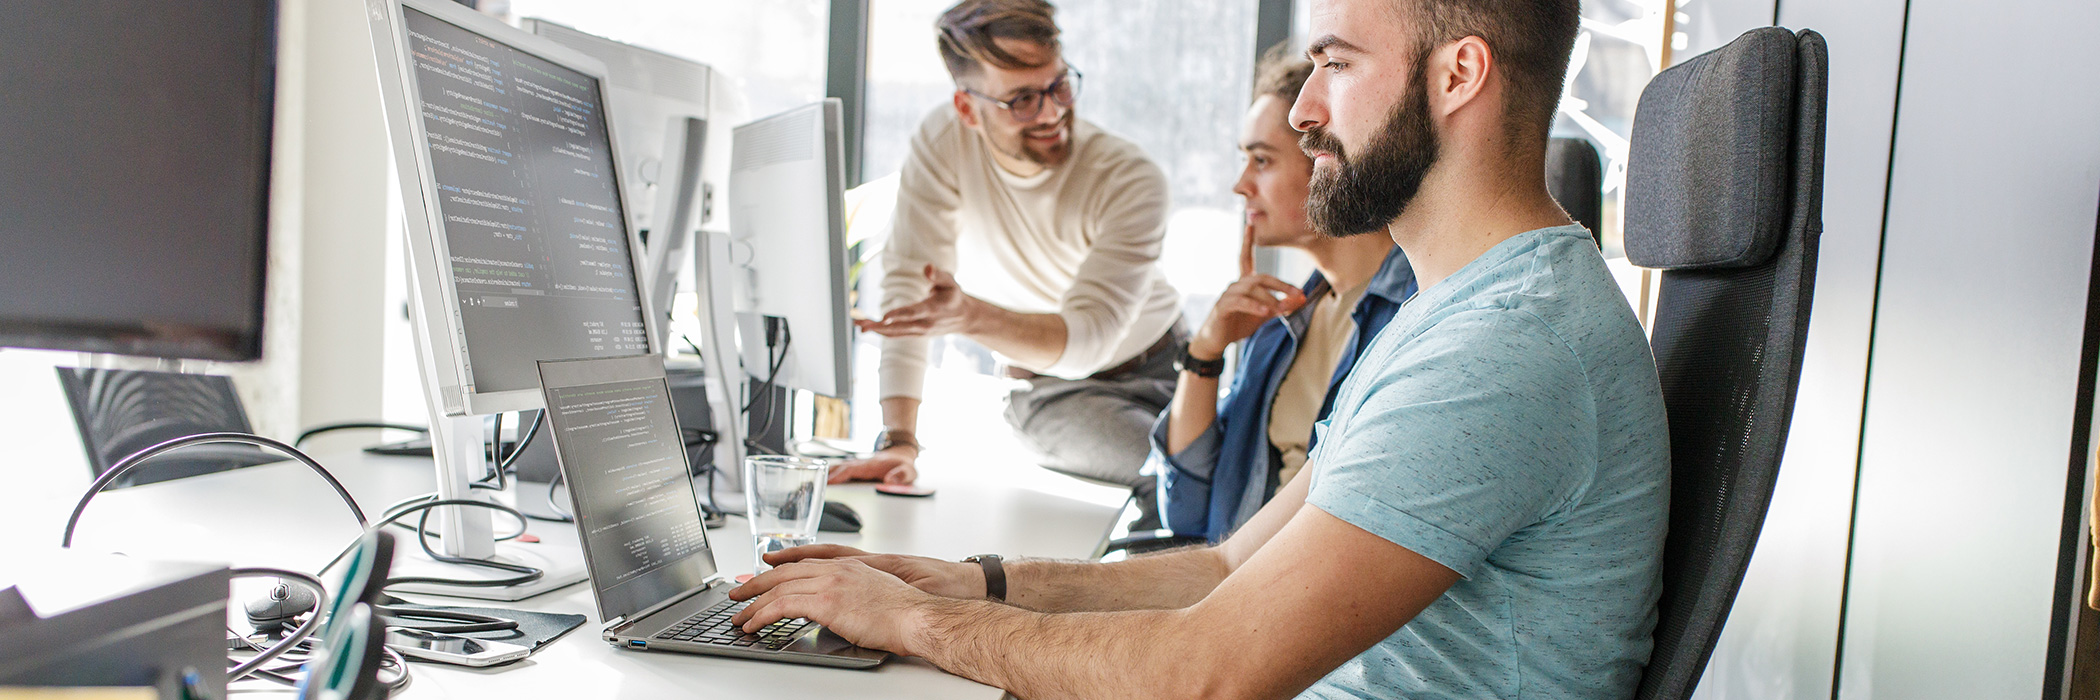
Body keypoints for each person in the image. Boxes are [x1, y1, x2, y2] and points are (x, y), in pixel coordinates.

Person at [730, 0, 1669, 697]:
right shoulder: (1449, 314)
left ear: (1458, 76)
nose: (1303, 111)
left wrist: (910, 620)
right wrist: (977, 583)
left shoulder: (1503, 347)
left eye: (1335, 66)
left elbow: (1205, 673)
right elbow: (1225, 569)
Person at [834, 0, 1185, 526]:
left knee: (1239, 472)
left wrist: (969, 317)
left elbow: (1093, 336)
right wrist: (901, 440)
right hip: (1053, 391)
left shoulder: (1128, 176)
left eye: (1059, 85)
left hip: (1170, 361)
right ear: (967, 108)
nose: (1050, 113)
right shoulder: (943, 143)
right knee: (1182, 474)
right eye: (1020, 99)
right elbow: (911, 290)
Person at [1151, 47, 1415, 544]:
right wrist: (1204, 354)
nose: (1240, 185)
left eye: (1261, 160)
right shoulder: (1280, 323)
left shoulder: (1414, 316)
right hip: (1233, 585)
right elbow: (1185, 511)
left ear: (1325, 159)